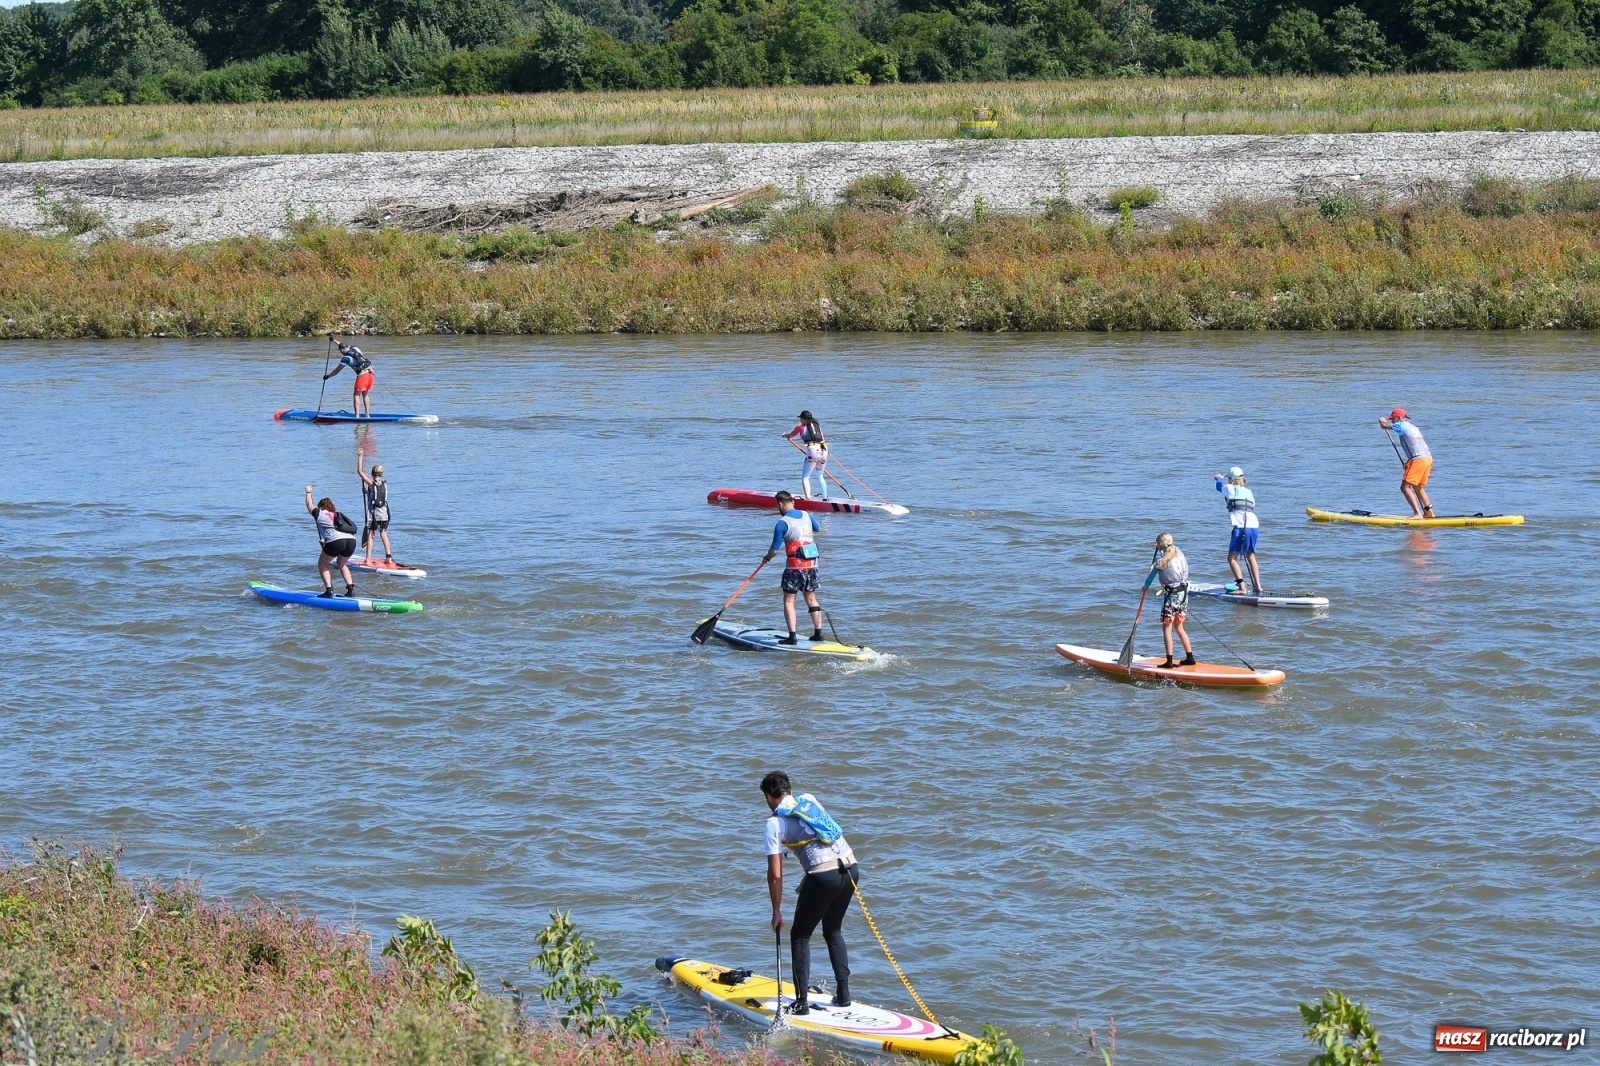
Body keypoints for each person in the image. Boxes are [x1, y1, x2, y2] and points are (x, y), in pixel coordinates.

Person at [761, 771, 858, 1016]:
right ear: (789, 791)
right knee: (833, 929)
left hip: (823, 876)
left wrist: (775, 911)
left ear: (769, 796)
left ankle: (801, 1003)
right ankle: (844, 996)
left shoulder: (774, 823)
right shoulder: (810, 800)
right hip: (851, 869)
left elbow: (775, 874)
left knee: (800, 936)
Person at [761, 490, 825, 644]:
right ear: (793, 502)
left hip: (794, 568)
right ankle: (818, 634)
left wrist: (766, 558)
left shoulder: (782, 523)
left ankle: (792, 637)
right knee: (811, 598)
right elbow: (818, 528)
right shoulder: (806, 514)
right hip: (812, 565)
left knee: (789, 601)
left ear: (780, 504)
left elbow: (774, 550)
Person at [1214, 466, 1264, 595]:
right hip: (1254, 527)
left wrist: (1218, 479)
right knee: (1251, 556)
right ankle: (1258, 587)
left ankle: (1242, 587)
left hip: (1241, 527)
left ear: (1230, 479)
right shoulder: (1248, 491)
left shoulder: (1229, 488)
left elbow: (1219, 488)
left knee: (1231, 558)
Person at [1378, 407, 1434, 519]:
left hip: (1419, 460)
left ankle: (1417, 513)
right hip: (1427, 458)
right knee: (1417, 487)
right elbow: (1416, 445)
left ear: (1398, 418)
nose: (1392, 421)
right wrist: (1409, 461)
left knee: (1405, 488)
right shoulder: (1413, 427)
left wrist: (1382, 421)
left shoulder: (1402, 425)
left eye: (1393, 419)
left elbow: (1384, 426)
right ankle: (1429, 512)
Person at [305, 485, 357, 597]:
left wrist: (308, 492)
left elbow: (309, 505)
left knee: (323, 564)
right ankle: (350, 590)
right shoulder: (337, 515)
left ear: (321, 506)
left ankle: (329, 591)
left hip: (336, 541)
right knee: (342, 564)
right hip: (351, 541)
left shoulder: (319, 513)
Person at [1153, 532, 1194, 669]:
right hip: (1183, 594)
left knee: (1167, 628)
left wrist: (1145, 587)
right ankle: (1190, 657)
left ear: (1159, 545)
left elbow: (1150, 577)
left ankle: (1169, 661)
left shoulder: (1161, 561)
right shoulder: (1179, 552)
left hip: (1170, 596)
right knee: (1179, 626)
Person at [356, 450, 394, 564]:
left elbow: (359, 471)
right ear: (382, 475)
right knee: (384, 534)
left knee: (371, 535)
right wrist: (368, 493)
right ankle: (388, 558)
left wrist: (360, 456)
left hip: (375, 515)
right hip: (385, 514)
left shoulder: (372, 484)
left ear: (372, 475)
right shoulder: (384, 484)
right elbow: (379, 497)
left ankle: (367, 559)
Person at [783, 410, 829, 501]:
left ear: (804, 419)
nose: (800, 420)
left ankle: (808, 499)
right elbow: (822, 439)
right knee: (820, 476)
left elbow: (790, 435)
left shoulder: (800, 426)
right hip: (824, 450)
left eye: (801, 418)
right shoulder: (817, 426)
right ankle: (825, 498)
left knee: (805, 477)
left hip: (813, 451)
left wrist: (785, 435)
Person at [324, 339, 374, 417]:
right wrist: (334, 340)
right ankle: (367, 414)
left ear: (341, 350)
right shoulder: (355, 348)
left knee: (356, 395)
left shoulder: (346, 358)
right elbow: (342, 345)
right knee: (365, 394)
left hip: (362, 375)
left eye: (340, 350)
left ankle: (357, 416)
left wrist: (328, 376)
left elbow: (337, 371)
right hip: (370, 372)